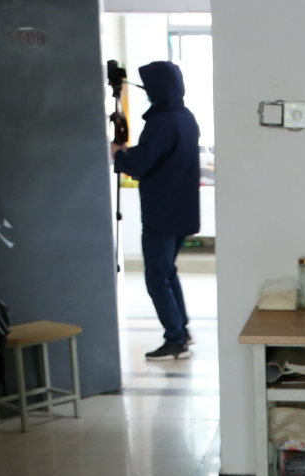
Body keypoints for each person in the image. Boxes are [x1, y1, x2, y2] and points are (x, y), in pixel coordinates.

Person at [112, 60, 200, 362]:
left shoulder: (161, 122)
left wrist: (117, 155)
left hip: (162, 213)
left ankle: (175, 340)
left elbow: (140, 164)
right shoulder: (185, 117)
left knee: (156, 279)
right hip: (182, 211)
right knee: (167, 272)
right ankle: (182, 330)